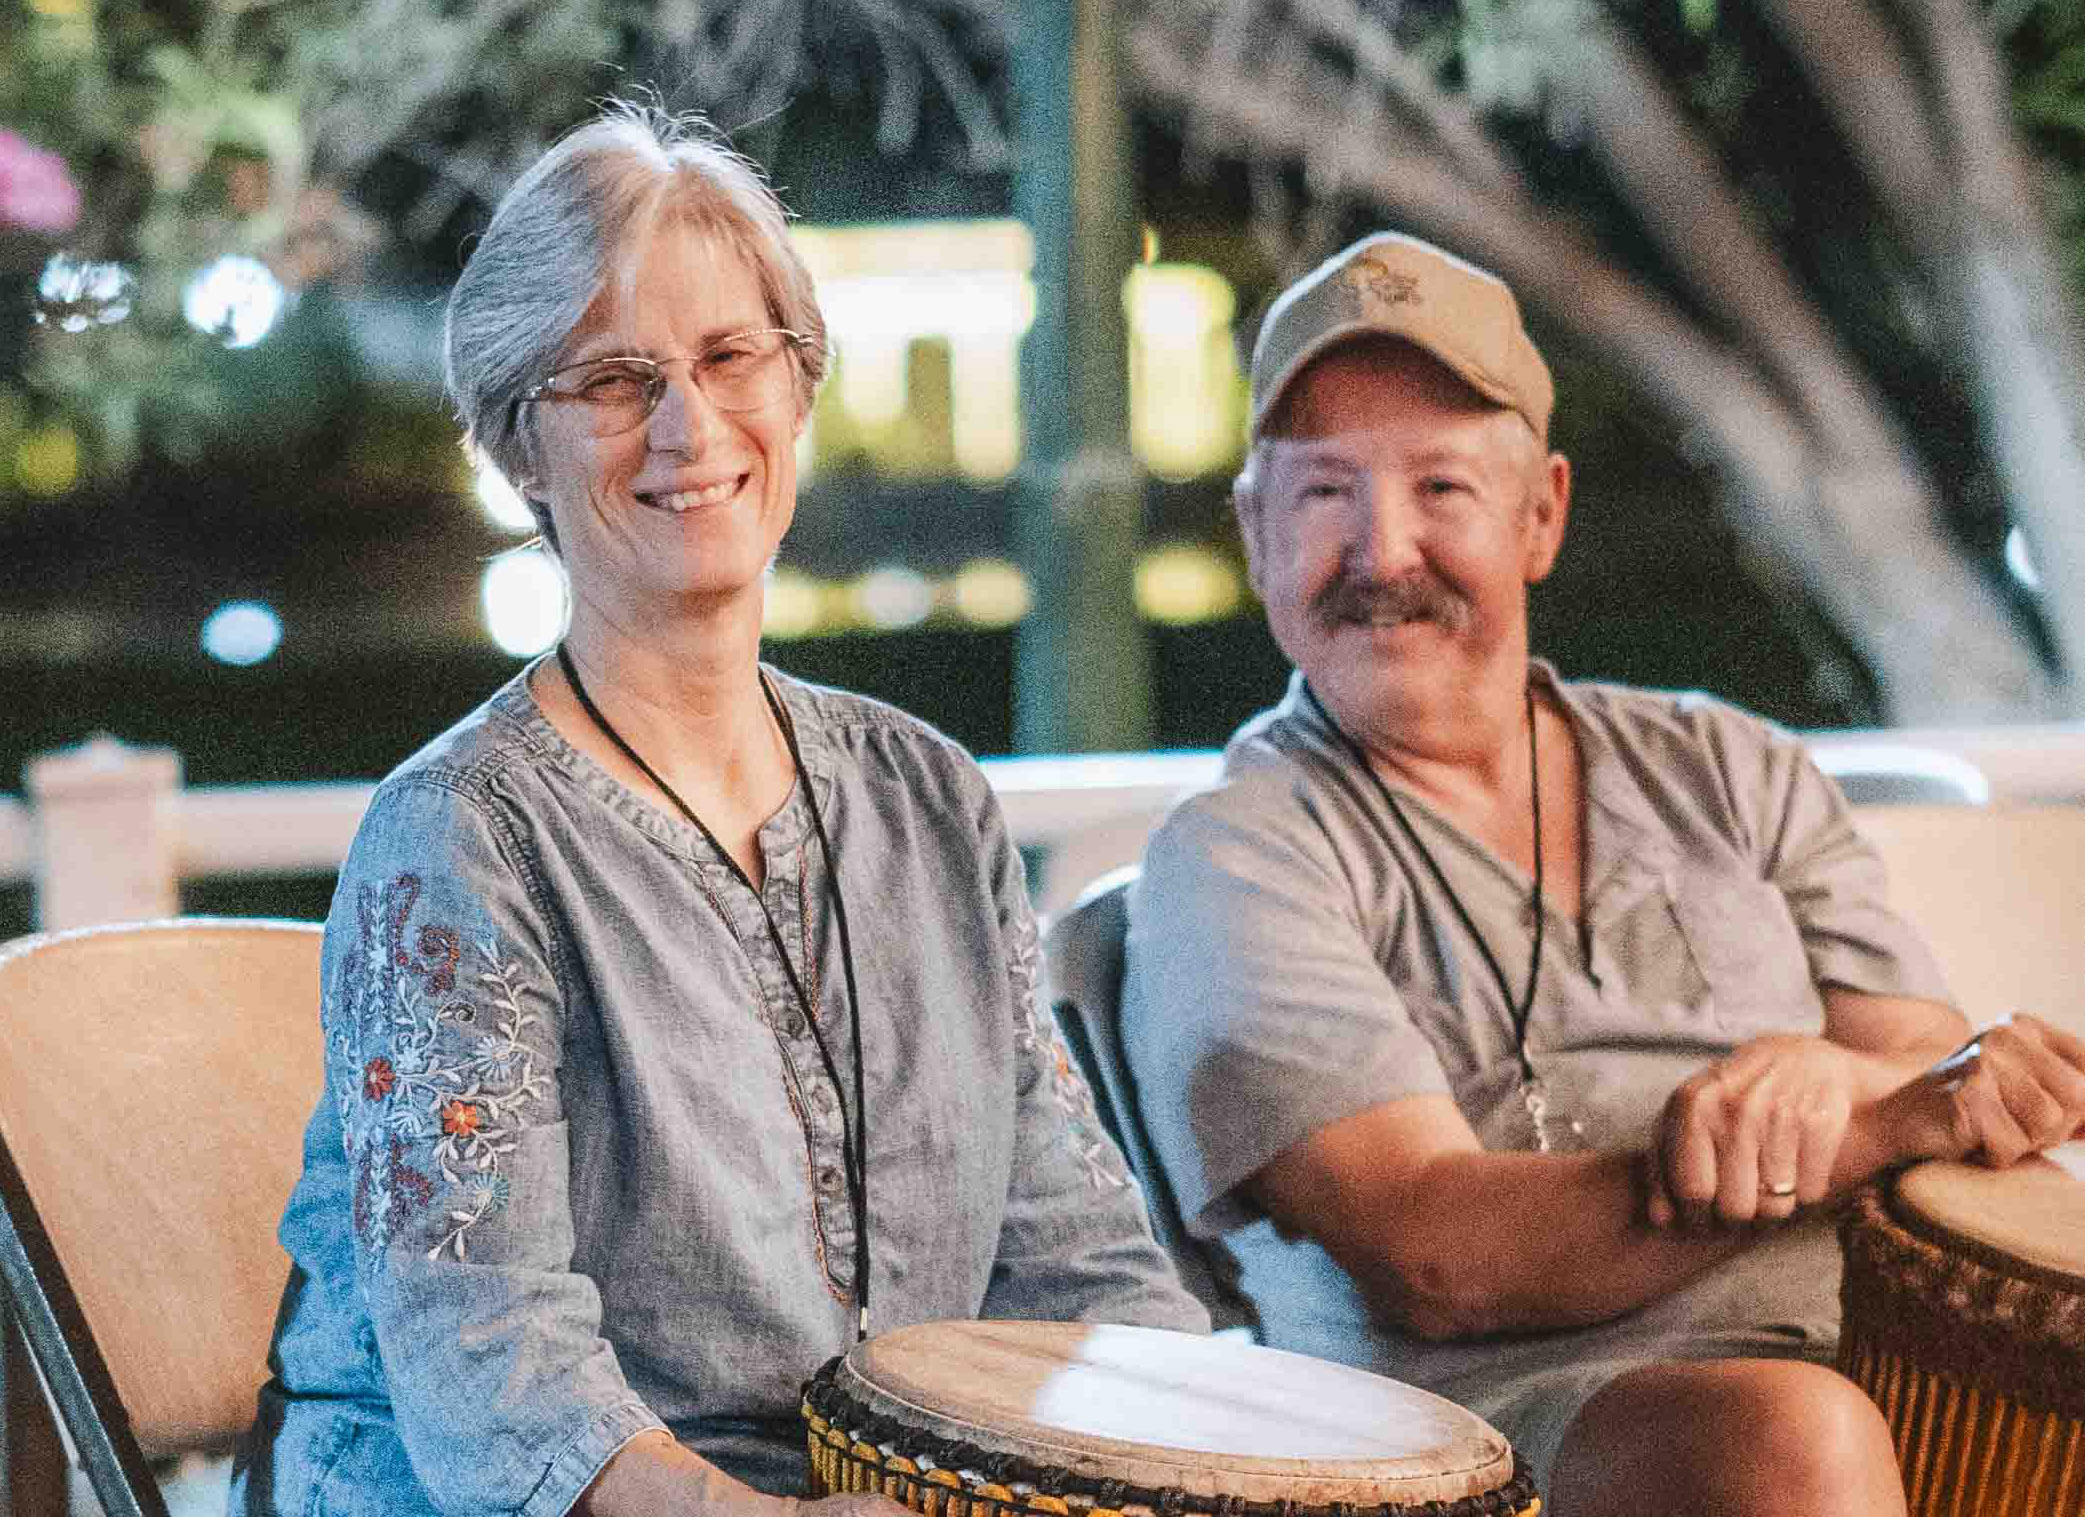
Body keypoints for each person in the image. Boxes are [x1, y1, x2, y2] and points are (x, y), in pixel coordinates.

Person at [230, 103, 1207, 1517]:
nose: (689, 424)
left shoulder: (926, 796)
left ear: (797, 385)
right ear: (519, 448)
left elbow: (1073, 1257)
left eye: (729, 355)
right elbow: (493, 1365)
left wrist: (1215, 1459)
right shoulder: (461, 838)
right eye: (614, 380)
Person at [1118, 231, 2085, 1515]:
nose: (1381, 550)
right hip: (1481, 1438)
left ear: (1543, 514)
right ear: (1252, 528)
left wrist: (1833, 1081)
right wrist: (1864, 1122)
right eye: (1323, 494)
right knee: (1796, 1435)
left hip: (1900, 1374)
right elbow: (1432, 1253)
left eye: (1442, 489)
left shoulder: (1730, 764)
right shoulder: (1235, 852)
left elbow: (1927, 1062)